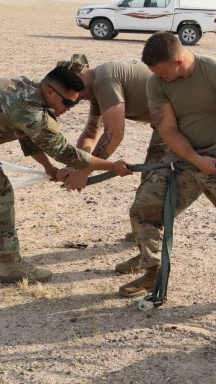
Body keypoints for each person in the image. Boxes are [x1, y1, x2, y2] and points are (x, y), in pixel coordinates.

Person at [117, 31, 216, 314]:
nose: (158, 78)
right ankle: (152, 271)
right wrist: (194, 158)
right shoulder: (156, 83)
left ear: (178, 62)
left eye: (162, 72)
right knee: (143, 210)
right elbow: (167, 129)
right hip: (182, 158)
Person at [0, 66, 132, 283]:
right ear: (51, 92)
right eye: (68, 103)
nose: (69, 109)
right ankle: (9, 264)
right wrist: (112, 166)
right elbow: (68, 154)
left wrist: (49, 169)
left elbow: (28, 136)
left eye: (76, 103)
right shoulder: (31, 111)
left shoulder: (27, 91)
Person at [55, 54, 164, 272]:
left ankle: (150, 255)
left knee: (157, 187)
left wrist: (85, 171)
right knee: (152, 184)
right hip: (165, 124)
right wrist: (77, 164)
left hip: (181, 123)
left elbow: (114, 133)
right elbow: (91, 131)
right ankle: (144, 228)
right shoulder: (95, 87)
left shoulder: (104, 81)